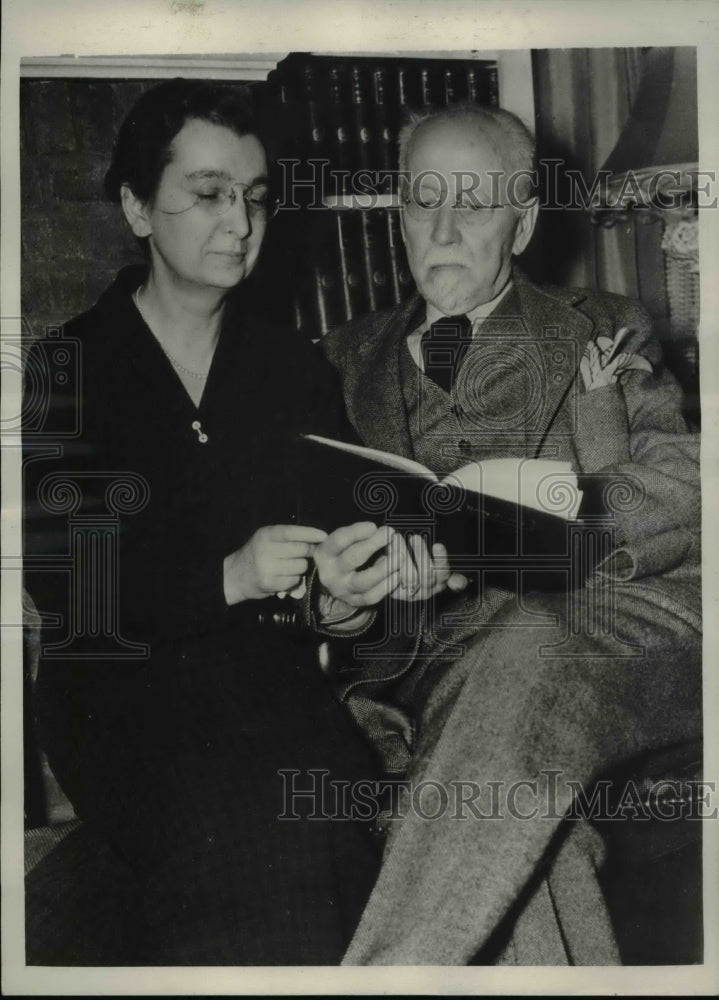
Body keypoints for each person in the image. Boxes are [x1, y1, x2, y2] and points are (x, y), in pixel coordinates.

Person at [316, 104, 702, 964]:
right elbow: (304, 554)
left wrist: (568, 514)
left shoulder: (602, 326)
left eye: (476, 204)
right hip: (433, 672)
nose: (444, 229)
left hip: (609, 625)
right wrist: (343, 593)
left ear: (522, 222)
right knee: (527, 838)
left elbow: (683, 484)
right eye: (423, 202)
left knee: (527, 642)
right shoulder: (338, 360)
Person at [23, 78, 395, 965]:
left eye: (256, 198)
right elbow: (61, 578)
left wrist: (342, 599)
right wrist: (228, 573)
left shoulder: (294, 369)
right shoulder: (70, 362)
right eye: (208, 193)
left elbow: (334, 555)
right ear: (137, 207)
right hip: (120, 699)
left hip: (268, 689)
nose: (240, 221)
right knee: (248, 833)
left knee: (332, 812)